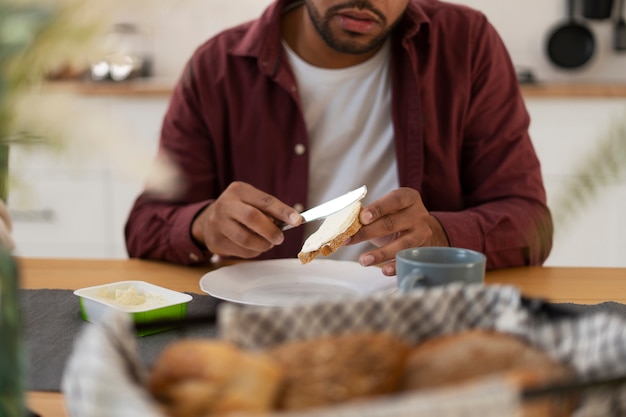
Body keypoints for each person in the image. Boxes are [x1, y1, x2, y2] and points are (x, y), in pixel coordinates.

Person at [125, 0, 553, 276]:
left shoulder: (467, 44)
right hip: (266, 319)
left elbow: (531, 222)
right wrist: (202, 226)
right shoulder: (218, 67)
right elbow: (145, 225)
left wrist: (441, 233)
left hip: (419, 316)